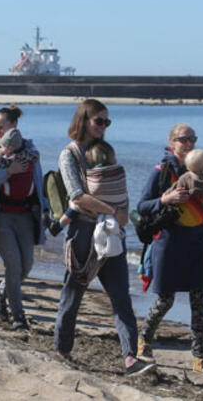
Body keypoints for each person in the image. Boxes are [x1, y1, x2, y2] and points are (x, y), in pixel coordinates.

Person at [52, 99, 154, 377]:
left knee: (121, 297)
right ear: (83, 120)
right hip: (83, 233)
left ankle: (131, 358)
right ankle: (62, 351)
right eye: (100, 120)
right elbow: (77, 196)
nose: (104, 126)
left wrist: (122, 213)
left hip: (110, 232)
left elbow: (115, 184)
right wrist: (114, 210)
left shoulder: (106, 150)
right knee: (72, 296)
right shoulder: (69, 154)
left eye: (107, 121)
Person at [136, 123, 203, 377]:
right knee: (165, 300)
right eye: (183, 139)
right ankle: (143, 342)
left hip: (196, 241)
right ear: (171, 143)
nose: (189, 143)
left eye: (192, 139)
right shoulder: (162, 171)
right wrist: (166, 199)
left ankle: (199, 359)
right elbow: (141, 205)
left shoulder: (200, 171)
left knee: (199, 301)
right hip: (169, 241)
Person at [0, 105, 46, 330]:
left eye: (1, 127)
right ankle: (18, 316)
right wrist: (9, 171)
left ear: (14, 126)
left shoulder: (30, 148)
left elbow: (37, 179)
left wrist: (46, 206)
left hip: (26, 214)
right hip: (1, 216)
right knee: (13, 264)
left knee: (26, 266)